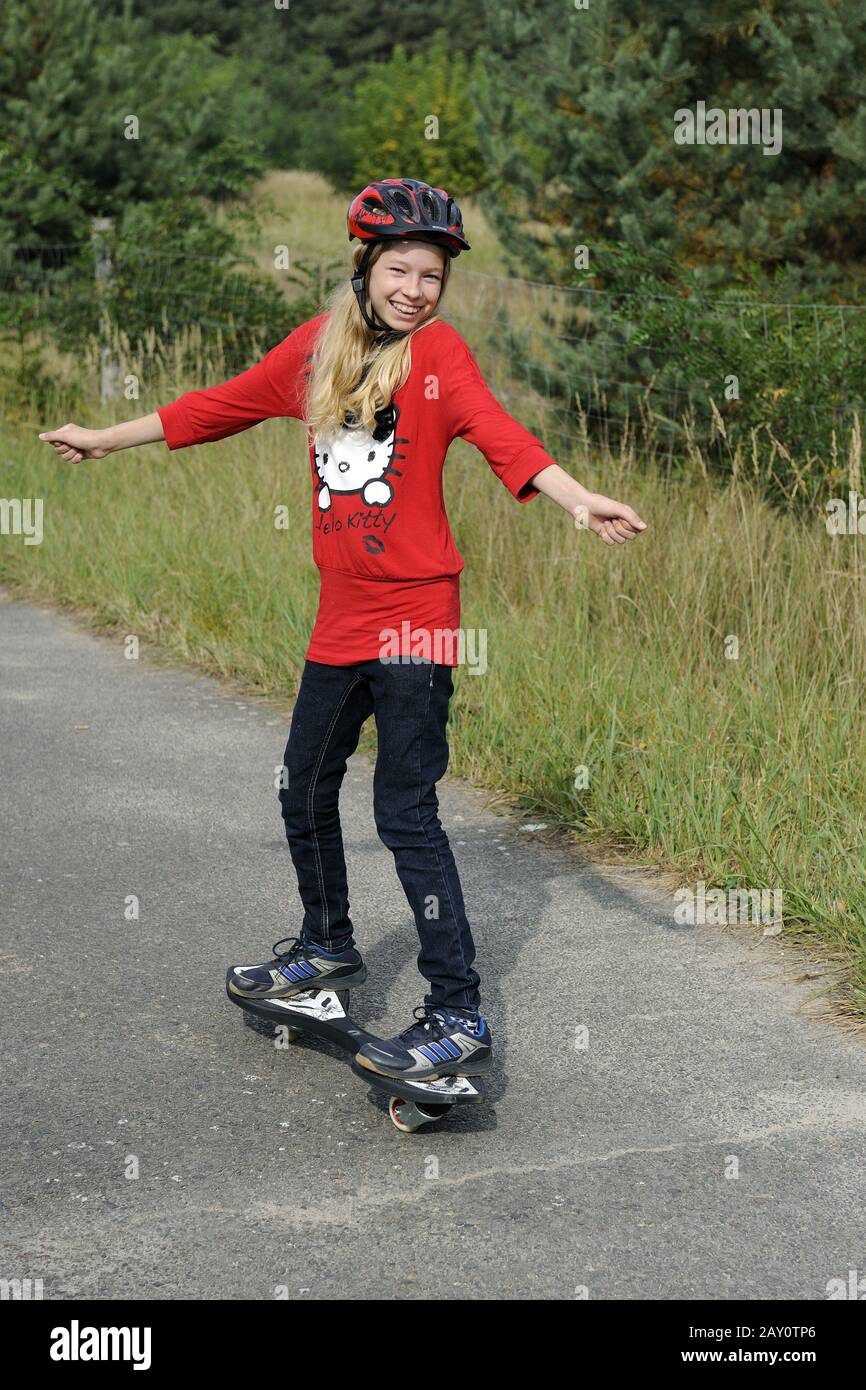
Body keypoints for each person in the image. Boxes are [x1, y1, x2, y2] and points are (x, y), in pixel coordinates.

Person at [38, 176, 647, 1086]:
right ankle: (325, 951)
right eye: (400, 269)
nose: (416, 288)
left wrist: (576, 499)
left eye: (432, 274)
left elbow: (503, 438)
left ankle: (458, 1013)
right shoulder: (319, 352)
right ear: (364, 269)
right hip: (340, 623)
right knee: (303, 787)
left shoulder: (440, 357)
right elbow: (216, 406)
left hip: (419, 622)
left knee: (404, 812)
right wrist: (103, 437)